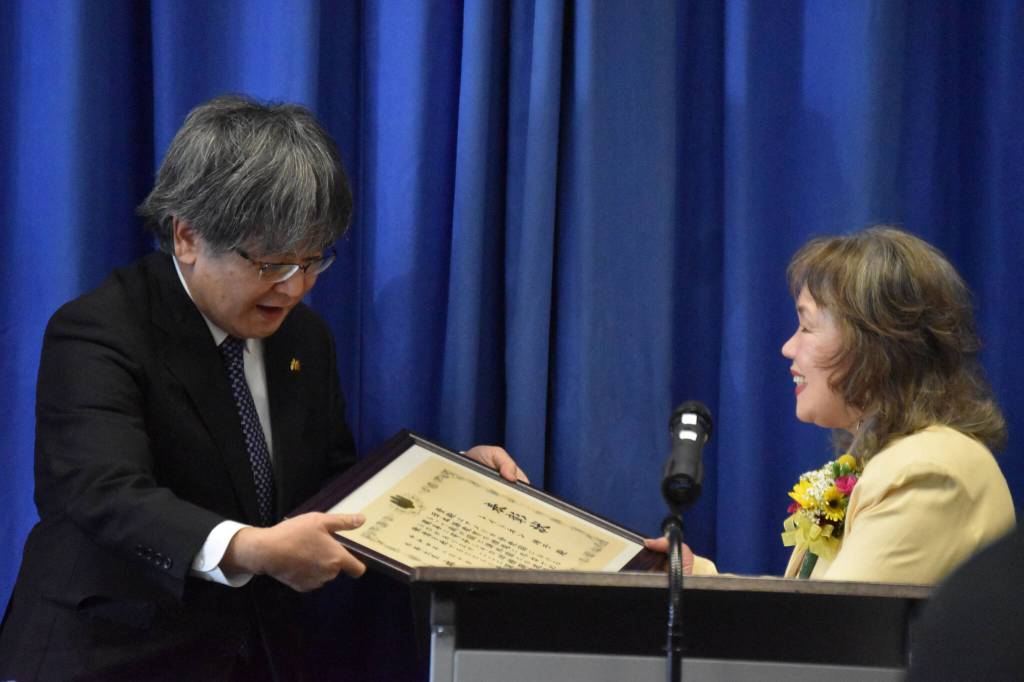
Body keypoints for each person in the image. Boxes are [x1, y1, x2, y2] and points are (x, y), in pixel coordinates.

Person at [0, 95, 523, 680]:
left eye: (312, 261)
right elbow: (104, 492)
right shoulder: (99, 330)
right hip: (111, 653)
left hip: (259, 658)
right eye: (270, 264)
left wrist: (449, 485)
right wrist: (250, 548)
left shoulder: (305, 339)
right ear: (187, 237)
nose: (294, 288)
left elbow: (333, 488)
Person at [648, 227, 1014, 583]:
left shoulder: (926, 472)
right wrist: (691, 578)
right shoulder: (882, 459)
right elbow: (810, 607)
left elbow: (835, 622)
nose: (788, 348)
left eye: (806, 327)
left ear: (874, 344)